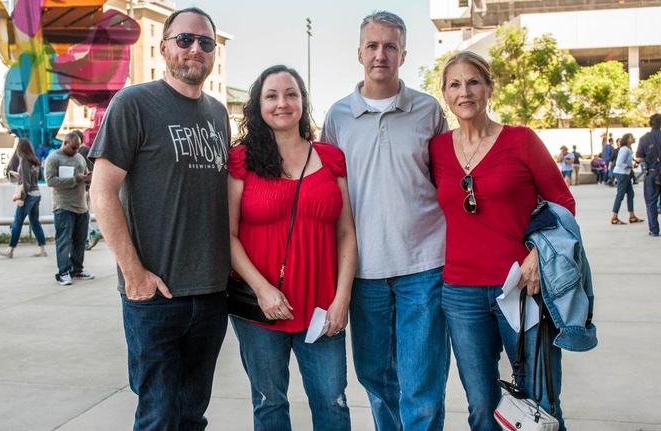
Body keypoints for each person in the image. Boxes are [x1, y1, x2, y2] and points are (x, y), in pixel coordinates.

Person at [88, 7, 231, 431]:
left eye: (205, 42)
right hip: (155, 296)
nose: (195, 49)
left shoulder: (218, 113)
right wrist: (134, 274)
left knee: (191, 415)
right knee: (157, 415)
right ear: (163, 46)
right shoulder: (134, 103)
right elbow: (102, 192)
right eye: (184, 39)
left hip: (210, 293)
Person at [429, 51, 576, 430]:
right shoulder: (437, 150)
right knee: (481, 406)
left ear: (489, 88)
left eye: (474, 82)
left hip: (522, 288)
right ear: (445, 94)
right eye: (455, 84)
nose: (465, 92)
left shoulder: (521, 140)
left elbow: (563, 201)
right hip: (460, 293)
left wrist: (537, 254)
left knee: (540, 402)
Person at [322, 11, 450, 431]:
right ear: (359, 53)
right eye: (373, 46)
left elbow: (447, 180)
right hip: (363, 271)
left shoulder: (429, 111)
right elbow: (327, 196)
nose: (381, 54)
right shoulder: (338, 117)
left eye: (390, 46)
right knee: (376, 378)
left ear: (403, 53)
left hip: (423, 266)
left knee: (422, 385)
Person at [228, 65, 357, 431]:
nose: (282, 103)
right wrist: (262, 289)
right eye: (272, 95)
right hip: (261, 309)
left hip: (322, 308)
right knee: (270, 404)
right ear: (258, 105)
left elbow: (346, 232)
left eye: (291, 94)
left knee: (332, 402)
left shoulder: (331, 159)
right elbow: (228, 235)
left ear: (303, 101)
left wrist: (342, 298)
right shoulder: (241, 160)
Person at [45, 131, 94, 286]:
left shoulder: (79, 158)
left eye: (78, 148)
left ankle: (77, 269)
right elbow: (50, 181)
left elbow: (84, 177)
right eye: (73, 148)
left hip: (81, 206)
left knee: (80, 240)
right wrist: (75, 179)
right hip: (63, 206)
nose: (75, 151)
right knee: (64, 241)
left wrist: (87, 178)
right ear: (65, 143)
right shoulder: (54, 158)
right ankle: (63, 272)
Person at [0, 139, 47, 258]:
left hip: (28, 195)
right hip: (36, 194)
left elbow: (27, 183)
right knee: (35, 222)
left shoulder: (24, 160)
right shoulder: (34, 160)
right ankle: (42, 249)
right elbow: (33, 177)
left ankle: (10, 250)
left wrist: (21, 197)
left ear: (20, 148)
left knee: (17, 222)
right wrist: (19, 175)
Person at [637, 113, 661, 237]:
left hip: (651, 173)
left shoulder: (644, 138)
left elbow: (640, 157)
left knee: (651, 202)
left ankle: (654, 230)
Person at [611, 134, 643, 225]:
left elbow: (626, 162)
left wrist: (633, 164)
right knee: (620, 195)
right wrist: (630, 165)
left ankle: (632, 216)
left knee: (631, 194)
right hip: (622, 174)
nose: (634, 138)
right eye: (631, 137)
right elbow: (619, 163)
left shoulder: (628, 149)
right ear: (627, 140)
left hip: (625, 174)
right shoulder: (624, 149)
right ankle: (614, 217)